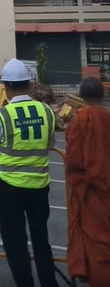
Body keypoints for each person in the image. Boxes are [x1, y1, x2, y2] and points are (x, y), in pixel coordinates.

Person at [0, 59, 59, 287]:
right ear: (28, 85)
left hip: (11, 187)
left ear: (6, 87)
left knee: (15, 241)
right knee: (41, 238)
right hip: (39, 186)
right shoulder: (46, 111)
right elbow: (50, 142)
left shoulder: (3, 115)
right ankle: (49, 282)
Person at [66, 76, 110, 287]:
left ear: (81, 96)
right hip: (105, 189)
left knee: (96, 245)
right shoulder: (107, 119)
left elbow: (73, 157)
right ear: (102, 95)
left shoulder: (81, 119)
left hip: (89, 192)